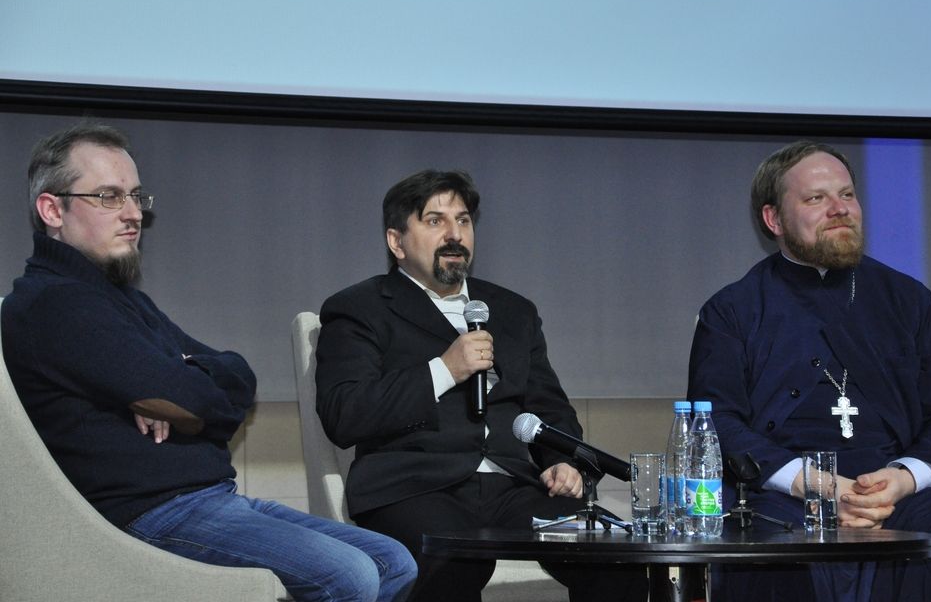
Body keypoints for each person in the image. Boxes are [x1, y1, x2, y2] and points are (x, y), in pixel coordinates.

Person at [1, 122, 417, 602]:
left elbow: (238, 377)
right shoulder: (54, 304)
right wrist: (179, 389)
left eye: (135, 196)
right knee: (348, 575)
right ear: (52, 209)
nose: (134, 213)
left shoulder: (118, 298)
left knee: (393, 561)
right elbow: (197, 401)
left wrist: (174, 387)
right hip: (148, 514)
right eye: (109, 197)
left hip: (207, 499)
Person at [314, 169, 648, 602]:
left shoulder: (512, 310)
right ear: (396, 242)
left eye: (464, 221)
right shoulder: (359, 308)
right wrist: (445, 369)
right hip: (415, 487)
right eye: (435, 221)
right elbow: (344, 413)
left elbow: (550, 408)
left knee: (617, 556)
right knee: (453, 562)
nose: (455, 234)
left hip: (515, 486)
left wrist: (563, 463)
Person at [687, 140, 931, 601]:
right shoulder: (732, 310)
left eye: (847, 195)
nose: (840, 209)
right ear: (774, 219)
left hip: (898, 495)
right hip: (785, 498)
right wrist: (819, 486)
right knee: (772, 556)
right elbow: (717, 422)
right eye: (816, 198)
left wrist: (902, 479)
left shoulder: (908, 300)